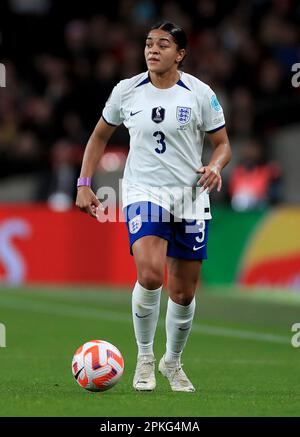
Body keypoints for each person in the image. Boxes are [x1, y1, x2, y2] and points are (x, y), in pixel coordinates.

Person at [76, 21, 232, 392]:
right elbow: (99, 135)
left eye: (163, 44)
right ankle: (144, 358)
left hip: (190, 197)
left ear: (179, 54)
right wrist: (84, 183)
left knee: (183, 293)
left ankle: (171, 362)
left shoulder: (199, 93)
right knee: (149, 275)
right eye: (148, 43)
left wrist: (215, 166)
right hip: (144, 193)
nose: (152, 50)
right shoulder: (127, 91)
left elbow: (223, 144)